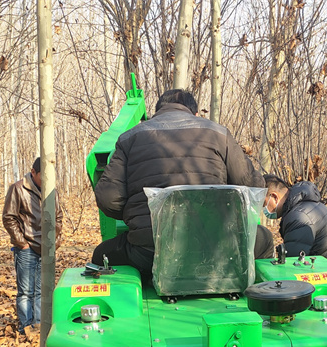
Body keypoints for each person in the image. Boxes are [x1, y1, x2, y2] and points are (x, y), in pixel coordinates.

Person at [92, 88, 274, 279]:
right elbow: (254, 188)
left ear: (157, 112)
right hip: (218, 249)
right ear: (195, 114)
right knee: (265, 239)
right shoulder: (218, 134)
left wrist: (137, 214)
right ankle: (253, 293)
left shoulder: (129, 138)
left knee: (101, 255)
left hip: (149, 254)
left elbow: (108, 198)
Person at [263, 174, 327, 285]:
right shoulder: (305, 206)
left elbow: (293, 265)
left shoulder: (298, 216)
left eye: (264, 203)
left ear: (274, 197)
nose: (263, 209)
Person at [2, 157, 63, 334]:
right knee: (26, 291)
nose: (44, 181)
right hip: (26, 248)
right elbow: (9, 217)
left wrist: (55, 241)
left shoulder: (52, 191)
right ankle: (25, 327)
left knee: (41, 290)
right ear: (33, 172)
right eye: (41, 176)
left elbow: (58, 217)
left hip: (47, 248)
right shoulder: (18, 188)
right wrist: (21, 243)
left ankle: (38, 326)